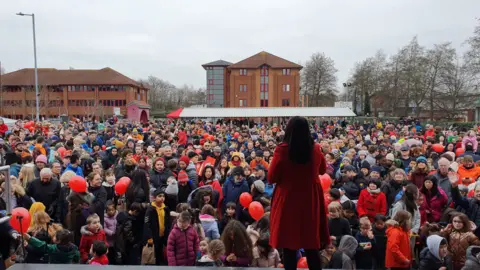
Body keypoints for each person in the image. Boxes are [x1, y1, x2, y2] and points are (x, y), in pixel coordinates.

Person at [268, 116, 328, 270]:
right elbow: (322, 169)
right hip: (310, 198)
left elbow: (271, 177)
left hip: (288, 199)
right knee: (311, 243)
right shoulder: (315, 148)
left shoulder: (282, 150)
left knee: (289, 245)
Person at [144, 189, 171, 265]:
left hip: (163, 236)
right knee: (153, 255)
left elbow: (168, 223)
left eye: (163, 196)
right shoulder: (150, 209)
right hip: (153, 237)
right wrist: (149, 237)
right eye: (159, 196)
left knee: (161, 255)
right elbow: (147, 224)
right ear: (154, 198)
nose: (162, 198)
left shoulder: (166, 208)